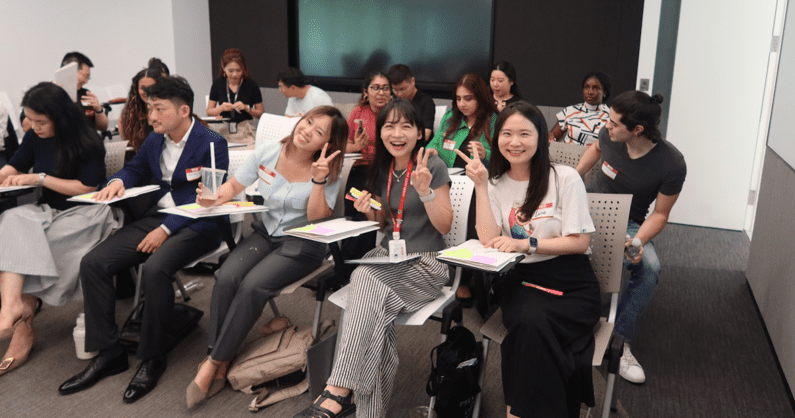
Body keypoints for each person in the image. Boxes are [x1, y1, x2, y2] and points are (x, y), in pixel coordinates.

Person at [58, 76, 229, 403]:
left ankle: (152, 358)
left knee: (155, 269)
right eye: (150, 108)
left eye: (159, 109)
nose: (151, 116)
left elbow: (208, 200)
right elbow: (134, 170)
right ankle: (109, 353)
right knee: (93, 263)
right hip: (158, 216)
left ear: (183, 110)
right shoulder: (155, 139)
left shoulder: (210, 142)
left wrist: (166, 230)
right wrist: (118, 181)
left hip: (199, 223)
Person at [294, 98, 452, 418]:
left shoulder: (431, 166)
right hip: (389, 259)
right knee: (374, 312)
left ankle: (337, 390)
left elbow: (445, 225)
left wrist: (425, 191)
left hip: (426, 262)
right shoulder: (382, 169)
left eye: (406, 126)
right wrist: (371, 212)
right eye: (389, 126)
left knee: (363, 278)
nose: (397, 133)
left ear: (419, 132)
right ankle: (368, 412)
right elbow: (386, 222)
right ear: (379, 132)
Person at [185, 105, 348, 408]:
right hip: (265, 234)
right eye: (308, 121)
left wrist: (318, 180)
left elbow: (317, 217)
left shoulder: (327, 169)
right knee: (226, 276)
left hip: (303, 243)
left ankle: (212, 363)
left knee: (252, 286)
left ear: (328, 144)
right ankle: (219, 355)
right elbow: (235, 185)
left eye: (319, 131)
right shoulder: (269, 151)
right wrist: (213, 196)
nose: (307, 130)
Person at [459, 101, 600, 417]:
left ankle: (517, 411)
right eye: (506, 133)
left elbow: (580, 243)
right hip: (521, 279)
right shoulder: (495, 184)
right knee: (530, 322)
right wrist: (481, 185)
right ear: (497, 140)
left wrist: (528, 245)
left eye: (525, 133)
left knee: (531, 330)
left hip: (571, 281)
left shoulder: (564, 178)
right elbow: (487, 238)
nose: (515, 142)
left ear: (542, 138)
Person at [0, 82, 117, 374]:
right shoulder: (34, 136)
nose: (35, 127)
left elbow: (86, 187)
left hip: (85, 212)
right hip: (49, 210)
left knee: (29, 242)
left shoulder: (87, 139)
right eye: (31, 120)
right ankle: (13, 305)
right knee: (11, 221)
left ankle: (24, 320)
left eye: (41, 122)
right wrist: (5, 175)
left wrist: (39, 179)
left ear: (61, 117)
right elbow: (14, 166)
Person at [575, 91, 687, 385]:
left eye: (613, 124)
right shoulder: (609, 134)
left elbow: (660, 214)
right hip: (589, 206)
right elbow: (596, 150)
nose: (606, 126)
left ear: (637, 129)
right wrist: (573, 180)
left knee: (649, 269)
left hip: (630, 221)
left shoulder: (672, 164)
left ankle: (619, 341)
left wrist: (637, 241)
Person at [428, 73, 496, 169]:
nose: (462, 104)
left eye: (467, 99)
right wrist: (432, 150)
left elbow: (504, 159)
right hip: (447, 177)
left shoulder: (494, 121)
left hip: (479, 179)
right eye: (458, 99)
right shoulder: (450, 116)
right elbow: (434, 143)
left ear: (480, 98)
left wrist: (486, 154)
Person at [207, 48, 264, 144]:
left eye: (238, 70)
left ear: (243, 68)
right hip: (223, 130)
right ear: (223, 67)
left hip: (245, 130)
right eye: (230, 70)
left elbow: (261, 114)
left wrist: (247, 108)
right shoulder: (218, 84)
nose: (235, 74)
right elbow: (209, 111)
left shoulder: (251, 85)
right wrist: (221, 108)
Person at [549, 71, 612, 145]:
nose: (590, 92)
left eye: (595, 88)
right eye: (586, 87)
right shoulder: (570, 111)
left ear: (604, 92)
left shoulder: (611, 116)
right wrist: (550, 139)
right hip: (566, 155)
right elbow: (553, 135)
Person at [118, 66, 165, 153]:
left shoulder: (169, 112)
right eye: (143, 88)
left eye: (152, 87)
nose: (147, 91)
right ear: (136, 89)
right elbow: (130, 149)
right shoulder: (126, 117)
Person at [387, 64, 435, 141]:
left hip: (419, 147)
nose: (399, 94)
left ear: (412, 81)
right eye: (395, 90)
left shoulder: (426, 102)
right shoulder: (393, 100)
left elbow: (426, 135)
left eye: (403, 89)